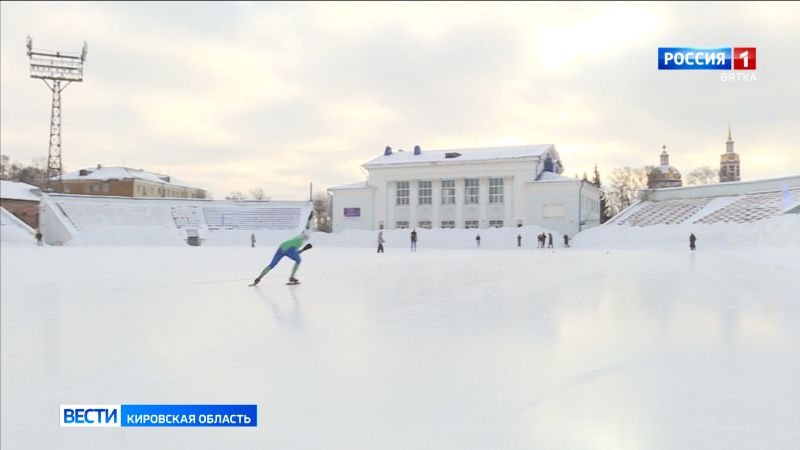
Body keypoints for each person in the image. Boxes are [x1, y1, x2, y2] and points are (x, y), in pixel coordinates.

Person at [251, 212, 314, 286]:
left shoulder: (298, 239)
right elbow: (307, 227)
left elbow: (295, 252)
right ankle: (292, 277)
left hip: (282, 247)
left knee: (272, 265)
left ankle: (259, 277)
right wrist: (309, 219)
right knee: (298, 260)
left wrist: (303, 249)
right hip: (289, 249)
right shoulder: (305, 235)